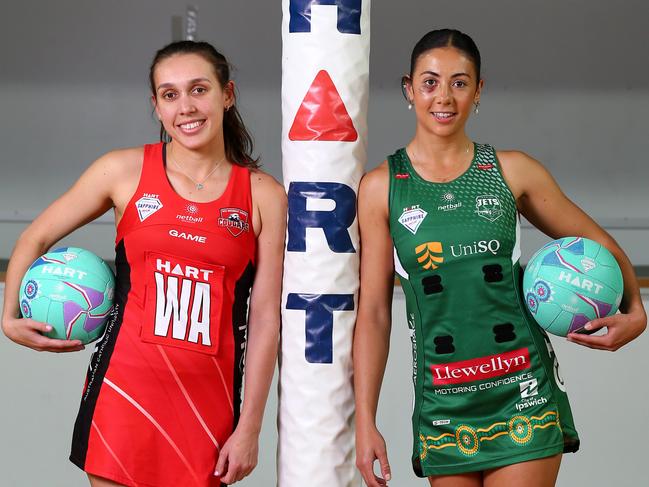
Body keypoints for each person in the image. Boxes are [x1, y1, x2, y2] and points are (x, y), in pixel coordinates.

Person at [353, 29, 646, 487]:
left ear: (479, 90)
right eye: (430, 82)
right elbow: (372, 312)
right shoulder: (381, 187)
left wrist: (636, 313)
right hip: (443, 400)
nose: (444, 96)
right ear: (409, 89)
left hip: (521, 389)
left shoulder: (512, 170)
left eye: (460, 82)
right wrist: (364, 418)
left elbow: (599, 242)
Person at [1, 40, 286, 487]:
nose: (186, 108)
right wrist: (9, 317)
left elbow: (266, 317)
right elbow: (33, 237)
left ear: (226, 94)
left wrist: (250, 426)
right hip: (123, 394)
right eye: (170, 95)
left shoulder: (262, 193)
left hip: (207, 406)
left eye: (199, 90)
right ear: (156, 106)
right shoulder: (123, 171)